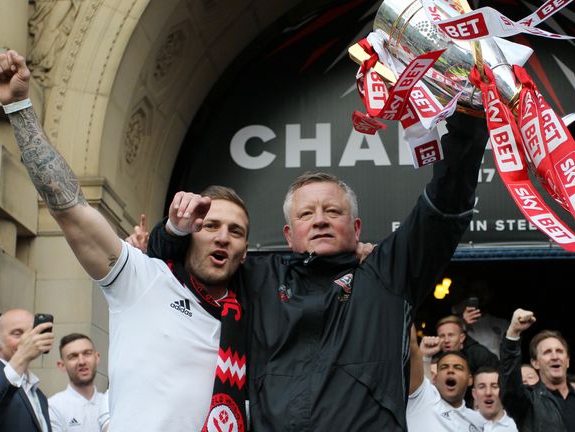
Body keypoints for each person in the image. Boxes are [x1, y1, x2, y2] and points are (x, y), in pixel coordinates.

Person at [148, 95, 489, 428]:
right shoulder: (257, 277)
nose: (320, 220)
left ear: (356, 228)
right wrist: (175, 229)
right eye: (307, 214)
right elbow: (170, 265)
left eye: (333, 211)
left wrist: (468, 118)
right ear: (288, 234)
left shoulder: (387, 273)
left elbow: (445, 207)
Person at [0, 50, 249, 431]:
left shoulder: (254, 312)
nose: (222, 236)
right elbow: (69, 208)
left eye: (235, 231)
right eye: (210, 225)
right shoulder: (141, 280)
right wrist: (19, 106)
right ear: (189, 230)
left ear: (245, 251)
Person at [499, 308, 575, 432]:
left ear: (567, 361)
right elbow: (509, 384)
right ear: (535, 363)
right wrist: (513, 333)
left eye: (559, 351)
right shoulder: (527, 402)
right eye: (547, 352)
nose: (555, 357)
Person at [0, 308, 54, 431]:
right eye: (17, 334)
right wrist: (21, 356)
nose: (25, 341)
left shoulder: (40, 396)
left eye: (31, 334)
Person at [408, 327, 484, 431]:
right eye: (444, 367)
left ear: (470, 379)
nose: (450, 370)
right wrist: (424, 356)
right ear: (435, 377)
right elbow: (411, 345)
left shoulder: (479, 421)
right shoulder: (422, 400)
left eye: (458, 367)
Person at [48, 333, 108, 432]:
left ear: (97, 358)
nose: (81, 361)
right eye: (73, 357)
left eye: (87, 353)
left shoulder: (110, 403)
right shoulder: (53, 407)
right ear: (62, 365)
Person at [473, 366, 519, 432]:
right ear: (474, 394)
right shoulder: (463, 423)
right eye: (482, 387)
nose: (488, 392)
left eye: (494, 386)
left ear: (503, 392)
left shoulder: (515, 426)